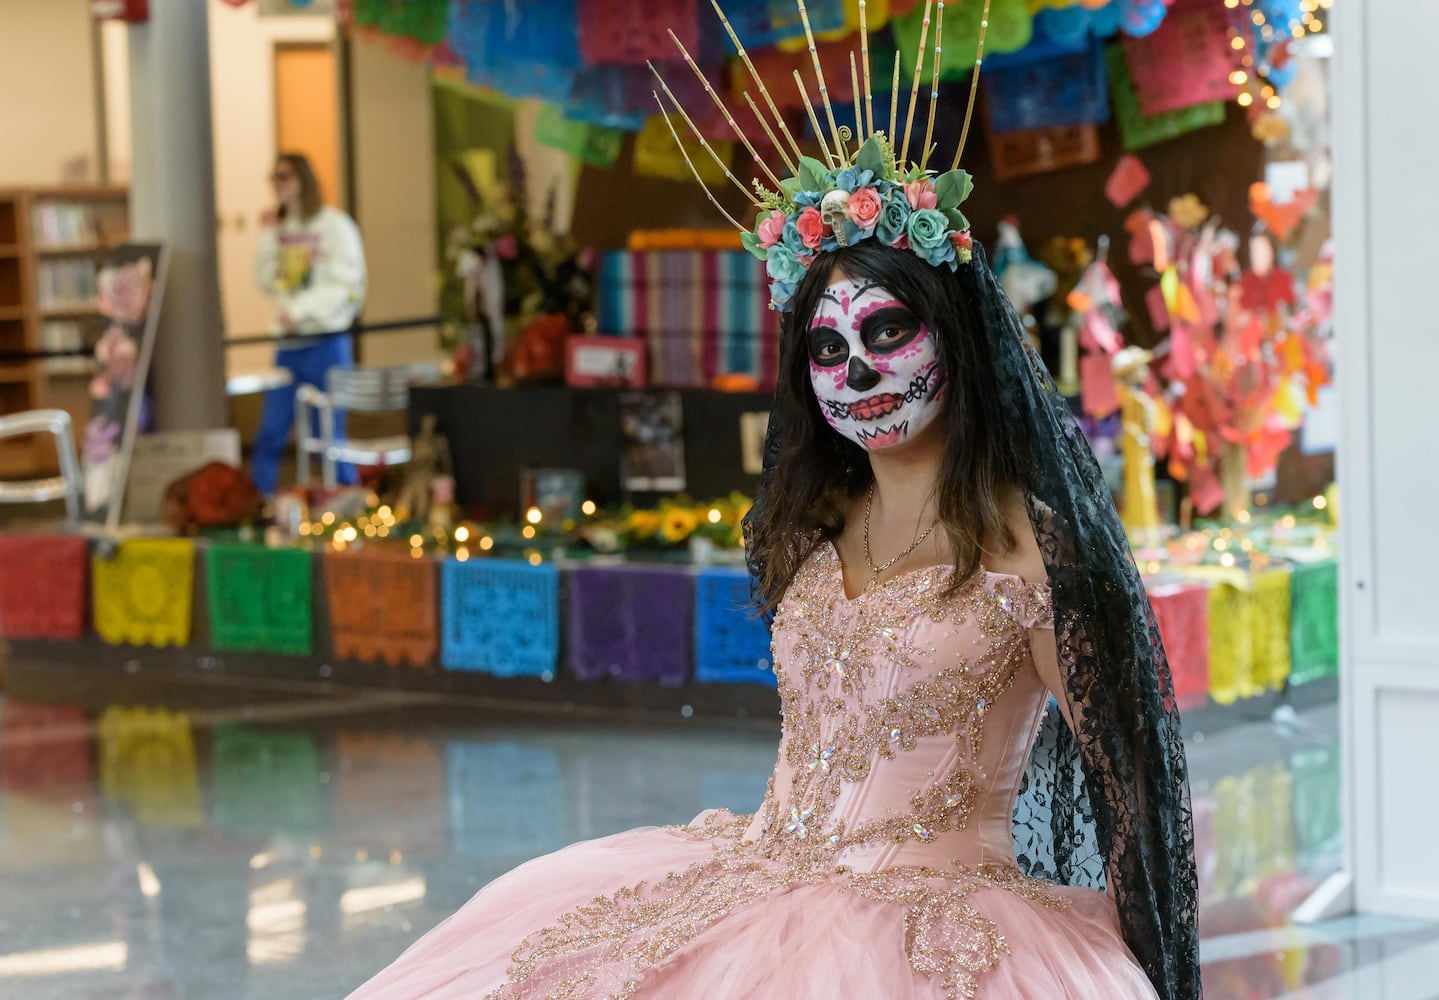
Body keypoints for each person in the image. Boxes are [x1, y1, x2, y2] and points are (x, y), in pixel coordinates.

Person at [347, 8, 1198, 999]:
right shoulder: (814, 528)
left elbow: (1132, 784)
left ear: (956, 341)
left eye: (888, 331)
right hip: (754, 882)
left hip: (940, 937)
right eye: (828, 348)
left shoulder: (1028, 554)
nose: (859, 370)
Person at [250, 152, 367, 495]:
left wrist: (301, 311)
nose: (278, 186)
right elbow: (267, 281)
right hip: (288, 345)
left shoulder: (335, 226)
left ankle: (347, 501)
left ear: (304, 179)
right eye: (274, 178)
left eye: (285, 177)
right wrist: (268, 237)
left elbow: (345, 286)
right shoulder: (280, 227)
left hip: (326, 342)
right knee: (271, 429)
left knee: (329, 432)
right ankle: (259, 500)